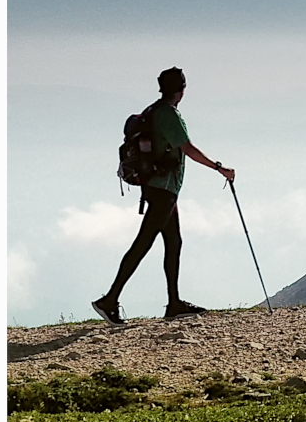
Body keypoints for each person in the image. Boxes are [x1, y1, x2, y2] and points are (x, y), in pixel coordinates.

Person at [92, 67, 237, 325]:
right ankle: (110, 300)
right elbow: (188, 148)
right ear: (181, 90)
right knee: (144, 242)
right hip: (163, 189)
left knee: (173, 241)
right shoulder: (168, 114)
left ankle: (174, 303)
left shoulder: (153, 111)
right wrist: (219, 168)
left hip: (158, 187)